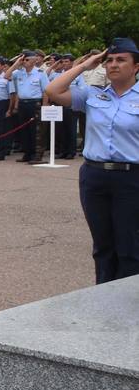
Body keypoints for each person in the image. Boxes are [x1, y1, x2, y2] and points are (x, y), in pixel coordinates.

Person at [45, 40, 139, 284]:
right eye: (109, 60)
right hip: (94, 177)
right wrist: (85, 65)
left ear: (136, 66)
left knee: (129, 245)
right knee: (102, 244)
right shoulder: (92, 94)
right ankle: (103, 295)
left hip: (131, 178)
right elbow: (53, 90)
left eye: (121, 60)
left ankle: (128, 299)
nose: (113, 65)